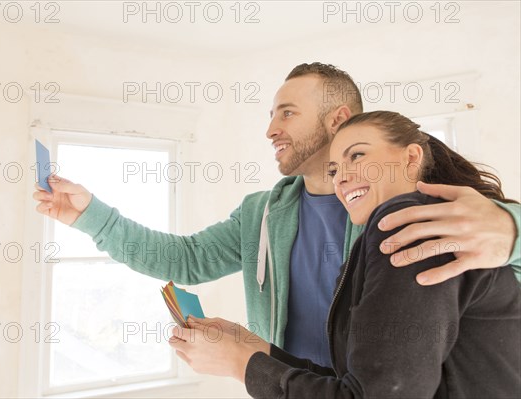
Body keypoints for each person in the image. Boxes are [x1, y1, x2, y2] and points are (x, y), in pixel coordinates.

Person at [33, 63, 521, 367]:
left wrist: (513, 231)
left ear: (339, 119)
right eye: (271, 114)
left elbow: (498, 289)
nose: (270, 128)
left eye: (286, 112)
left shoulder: (422, 204)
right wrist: (91, 216)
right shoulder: (262, 213)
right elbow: (183, 261)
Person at [169, 111, 521, 398]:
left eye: (358, 155)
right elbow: (356, 386)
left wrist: (240, 363)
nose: (342, 178)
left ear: (411, 157)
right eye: (335, 168)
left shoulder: (409, 222)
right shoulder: (391, 235)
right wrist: (253, 350)